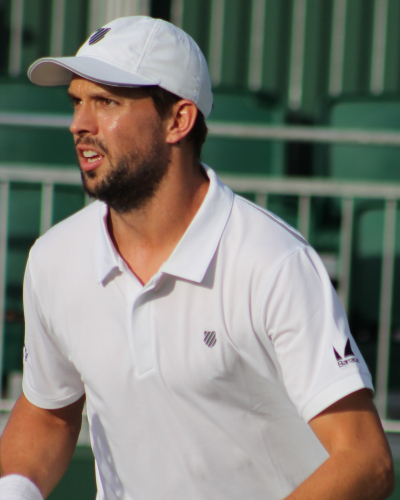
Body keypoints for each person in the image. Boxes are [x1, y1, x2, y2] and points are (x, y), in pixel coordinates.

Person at [0, 15, 394, 500]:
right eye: (77, 102)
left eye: (106, 102)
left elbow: (365, 460)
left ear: (179, 121)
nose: (79, 124)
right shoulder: (54, 259)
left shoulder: (274, 262)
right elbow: (49, 411)